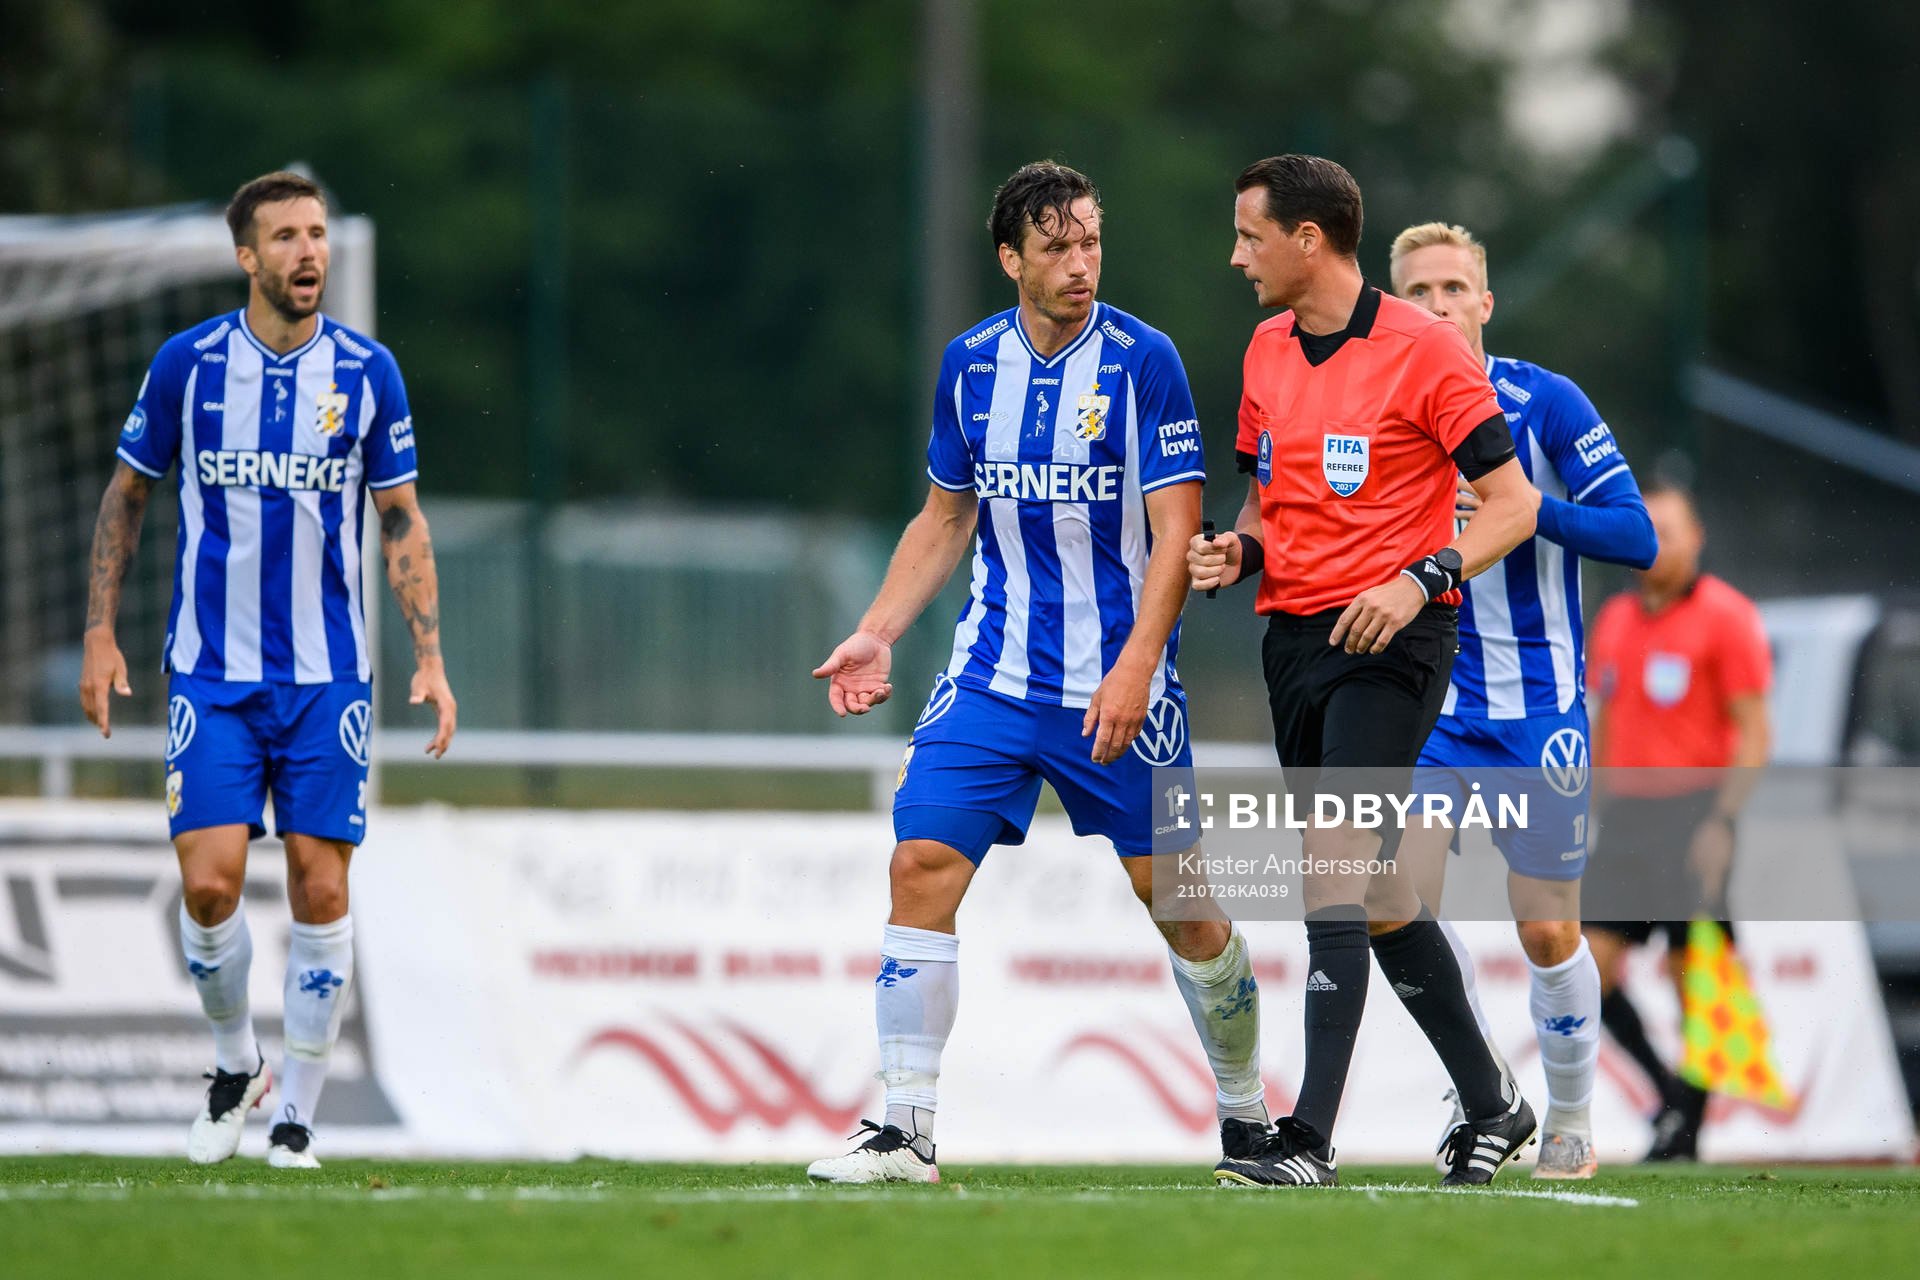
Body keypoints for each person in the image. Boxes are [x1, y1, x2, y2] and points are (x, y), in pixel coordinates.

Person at [808, 161, 1267, 1185]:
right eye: (1057, 245)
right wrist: (878, 629)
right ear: (1011, 256)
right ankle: (906, 1130)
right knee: (919, 862)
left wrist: (1137, 667)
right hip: (993, 675)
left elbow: (1176, 525)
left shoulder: (1145, 361)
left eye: (1092, 240)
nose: (1080, 263)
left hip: (1118, 686)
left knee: (1183, 905)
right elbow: (945, 517)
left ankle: (1248, 1120)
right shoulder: (970, 365)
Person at [78, 171, 456, 1169]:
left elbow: (402, 518)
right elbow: (128, 496)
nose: (308, 252)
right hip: (211, 673)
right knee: (207, 885)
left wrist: (429, 656)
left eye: (318, 234)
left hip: (329, 675)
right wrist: (100, 633)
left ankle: (297, 1115)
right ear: (247, 256)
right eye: (285, 236)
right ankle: (233, 1060)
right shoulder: (187, 365)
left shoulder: (368, 372)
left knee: (319, 888)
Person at [1189, 156, 1540, 1188]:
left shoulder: (1427, 352)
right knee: (1378, 893)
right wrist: (1239, 551)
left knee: (1331, 870)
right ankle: (1493, 1100)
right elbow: (1269, 500)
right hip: (1293, 643)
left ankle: (1308, 1142)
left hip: (1395, 642)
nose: (1237, 255)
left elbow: (1511, 503)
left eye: (1251, 235)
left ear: (1310, 240)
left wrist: (1418, 575)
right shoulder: (1263, 349)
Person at [1387, 222, 1657, 1180]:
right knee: (1393, 892)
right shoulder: (1378, 408)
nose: (1437, 305)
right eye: (1418, 289)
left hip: (1540, 712)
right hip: (1430, 710)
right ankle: (1486, 1091)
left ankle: (1572, 1116)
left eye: (1455, 287)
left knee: (1547, 928)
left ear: (1486, 304)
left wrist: (1522, 507)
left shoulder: (1544, 402)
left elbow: (1638, 538)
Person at [1582, 483, 1772, 1161]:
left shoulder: (1727, 617)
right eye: (1646, 529)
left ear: (1698, 538)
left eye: (1669, 529)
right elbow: (1604, 716)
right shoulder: (1615, 619)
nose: (1656, 543)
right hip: (1628, 818)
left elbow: (1754, 733)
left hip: (1697, 813)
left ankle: (1685, 1130)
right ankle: (1667, 1094)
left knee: (1696, 976)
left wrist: (1723, 821)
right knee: (1585, 968)